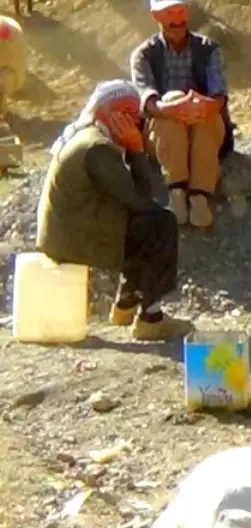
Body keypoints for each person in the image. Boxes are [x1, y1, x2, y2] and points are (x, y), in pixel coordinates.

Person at [35, 80, 193, 342]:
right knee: (160, 222)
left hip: (71, 230)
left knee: (145, 222)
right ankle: (150, 319)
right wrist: (136, 150)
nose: (133, 120)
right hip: (69, 239)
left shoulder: (94, 137)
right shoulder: (98, 148)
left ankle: (126, 304)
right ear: (103, 113)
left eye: (135, 114)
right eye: (125, 113)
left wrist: (132, 151)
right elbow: (141, 201)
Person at [130, 0, 234, 230]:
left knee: (204, 112)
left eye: (179, 11)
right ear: (155, 15)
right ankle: (177, 191)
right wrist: (175, 108)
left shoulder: (209, 49)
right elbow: (148, 101)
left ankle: (199, 196)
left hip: (204, 123)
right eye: (168, 13)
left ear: (187, 12)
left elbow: (219, 95)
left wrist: (200, 106)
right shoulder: (143, 55)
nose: (175, 20)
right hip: (163, 132)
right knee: (173, 99)